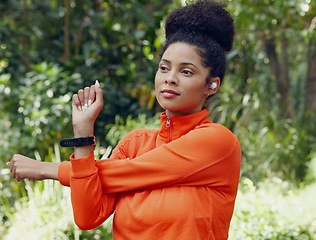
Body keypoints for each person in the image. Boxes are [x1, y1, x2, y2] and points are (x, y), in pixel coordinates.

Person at [7, 0, 241, 239]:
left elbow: (130, 172)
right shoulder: (134, 144)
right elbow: (88, 217)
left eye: (186, 71)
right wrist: (83, 131)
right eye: (164, 68)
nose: (170, 78)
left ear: (212, 84)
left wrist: (47, 169)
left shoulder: (218, 142)